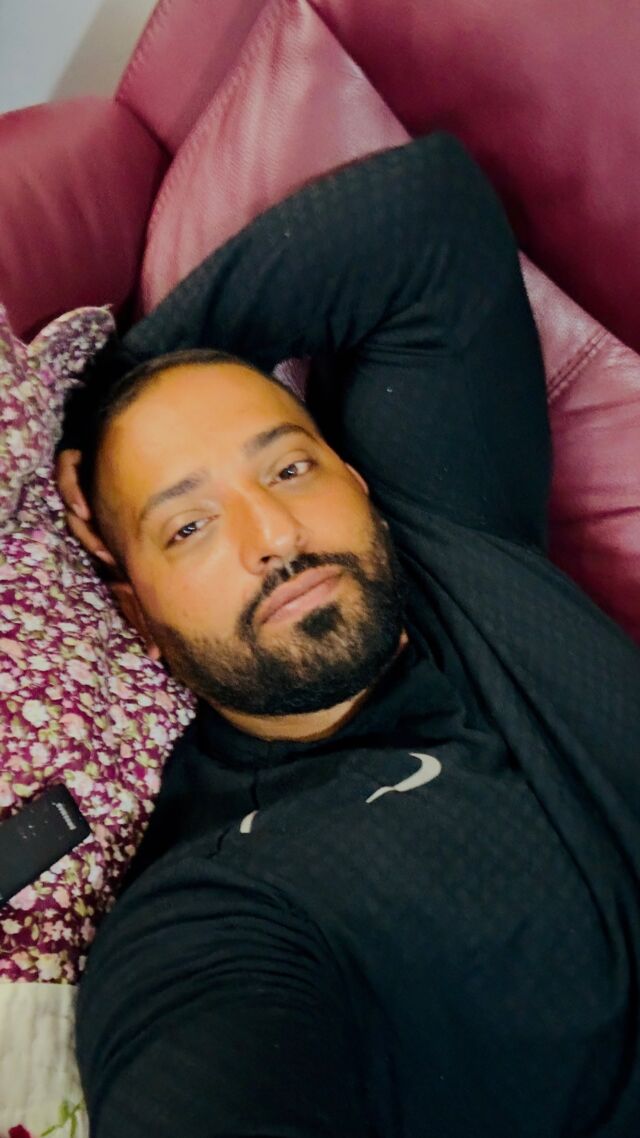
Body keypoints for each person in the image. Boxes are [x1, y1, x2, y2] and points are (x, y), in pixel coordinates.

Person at [57, 133, 640, 1137]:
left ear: (355, 478)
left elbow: (426, 211)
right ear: (139, 615)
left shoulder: (451, 536)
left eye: (288, 468)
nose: (274, 535)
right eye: (188, 526)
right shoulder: (218, 904)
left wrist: (113, 391)